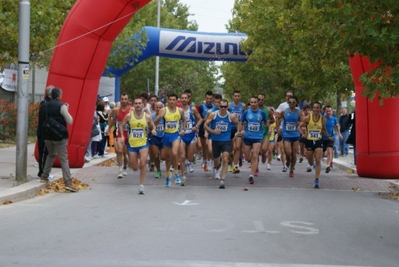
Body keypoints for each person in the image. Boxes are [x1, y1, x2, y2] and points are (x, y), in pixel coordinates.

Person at [39, 87, 77, 192]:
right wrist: (67, 109)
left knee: (51, 154)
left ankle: (44, 175)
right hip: (59, 136)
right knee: (63, 158)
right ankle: (68, 182)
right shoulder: (62, 106)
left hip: (47, 135)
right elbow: (70, 121)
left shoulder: (44, 106)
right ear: (59, 95)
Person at [119, 98, 156, 194]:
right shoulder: (129, 116)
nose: (138, 105)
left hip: (143, 143)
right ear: (133, 105)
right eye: (136, 103)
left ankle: (141, 185)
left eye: (140, 103)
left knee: (143, 163)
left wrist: (153, 130)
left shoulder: (147, 117)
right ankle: (134, 163)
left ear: (143, 105)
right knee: (135, 168)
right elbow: (121, 126)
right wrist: (122, 136)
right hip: (132, 144)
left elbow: (152, 125)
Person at [205, 99, 240, 189]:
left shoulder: (231, 116)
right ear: (219, 106)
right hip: (215, 140)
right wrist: (212, 131)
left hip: (226, 141)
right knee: (217, 163)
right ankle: (217, 167)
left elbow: (238, 122)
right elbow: (205, 125)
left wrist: (238, 132)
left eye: (225, 107)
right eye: (221, 107)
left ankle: (222, 180)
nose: (223, 108)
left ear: (227, 107)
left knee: (225, 159)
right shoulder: (214, 115)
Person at [154, 93, 186, 187]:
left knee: (175, 153)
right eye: (170, 100)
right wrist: (158, 119)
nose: (172, 101)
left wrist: (183, 129)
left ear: (177, 101)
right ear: (168, 101)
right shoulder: (164, 110)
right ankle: (168, 175)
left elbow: (184, 120)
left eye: (173, 100)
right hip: (166, 135)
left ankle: (176, 173)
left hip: (175, 135)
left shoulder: (180, 111)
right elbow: (155, 122)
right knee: (167, 157)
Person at [298, 101, 331, 189]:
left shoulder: (323, 119)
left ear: (320, 109)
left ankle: (316, 180)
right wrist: (302, 134)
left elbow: (323, 129)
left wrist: (328, 136)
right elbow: (299, 127)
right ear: (313, 109)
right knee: (311, 162)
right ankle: (312, 164)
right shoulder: (308, 118)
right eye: (314, 108)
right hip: (309, 141)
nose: (316, 109)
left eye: (318, 108)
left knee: (318, 160)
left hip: (318, 141)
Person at [240, 96, 268, 184]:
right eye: (251, 102)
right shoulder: (246, 113)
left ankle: (251, 176)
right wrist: (242, 130)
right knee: (248, 157)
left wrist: (268, 128)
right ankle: (247, 157)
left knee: (255, 156)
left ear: (257, 103)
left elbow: (266, 122)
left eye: (255, 102)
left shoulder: (262, 113)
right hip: (247, 137)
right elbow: (241, 123)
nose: (253, 104)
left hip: (257, 137)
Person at [275, 95, 303, 177]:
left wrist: (300, 125)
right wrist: (278, 128)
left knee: (294, 153)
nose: (292, 104)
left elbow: (304, 121)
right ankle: (287, 159)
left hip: (295, 134)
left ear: (296, 103)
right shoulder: (284, 111)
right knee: (288, 152)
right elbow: (277, 118)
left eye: (293, 102)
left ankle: (292, 169)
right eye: (290, 102)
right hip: (286, 134)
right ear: (288, 103)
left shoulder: (299, 112)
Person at [179, 93, 203, 186]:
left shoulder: (192, 109)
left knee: (189, 158)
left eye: (186, 98)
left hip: (191, 135)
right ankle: (183, 176)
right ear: (180, 99)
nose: (184, 99)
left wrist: (196, 126)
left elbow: (200, 119)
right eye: (182, 98)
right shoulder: (178, 110)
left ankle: (188, 163)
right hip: (182, 135)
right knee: (182, 156)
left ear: (188, 99)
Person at [107, 93, 131, 178]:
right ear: (120, 100)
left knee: (125, 153)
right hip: (119, 134)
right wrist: (108, 129)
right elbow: (112, 120)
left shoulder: (131, 110)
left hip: (129, 135)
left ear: (128, 100)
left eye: (125, 99)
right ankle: (120, 170)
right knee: (119, 151)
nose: (124, 101)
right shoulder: (116, 110)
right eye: (122, 99)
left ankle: (125, 167)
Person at [36, 85, 54, 179]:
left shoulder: (45, 103)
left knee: (47, 153)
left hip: (44, 131)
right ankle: (42, 172)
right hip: (44, 132)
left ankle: (45, 172)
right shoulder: (46, 104)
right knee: (44, 153)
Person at [229, 90, 246, 174]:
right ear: (233, 96)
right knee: (230, 149)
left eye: (238, 96)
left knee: (237, 147)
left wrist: (243, 128)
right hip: (229, 129)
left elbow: (245, 117)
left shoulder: (243, 106)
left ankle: (236, 166)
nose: (237, 97)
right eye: (235, 96)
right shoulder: (229, 105)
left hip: (238, 128)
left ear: (240, 96)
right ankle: (231, 164)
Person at [198, 91, 214, 172]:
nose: (209, 100)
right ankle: (204, 160)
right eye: (207, 98)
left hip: (211, 128)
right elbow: (199, 118)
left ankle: (209, 161)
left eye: (210, 98)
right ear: (205, 98)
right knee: (204, 147)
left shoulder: (214, 107)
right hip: (202, 128)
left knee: (209, 146)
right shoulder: (201, 107)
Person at [323, 105, 342, 173]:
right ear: (325, 111)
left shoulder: (334, 118)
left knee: (329, 150)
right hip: (323, 138)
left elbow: (337, 126)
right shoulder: (322, 118)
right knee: (322, 154)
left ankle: (328, 165)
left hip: (331, 138)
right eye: (327, 111)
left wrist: (339, 134)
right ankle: (329, 161)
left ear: (331, 111)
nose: (328, 112)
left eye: (329, 111)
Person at [149, 101, 164, 178]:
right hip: (154, 137)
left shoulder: (166, 116)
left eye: (160, 107)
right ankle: (158, 170)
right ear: (155, 108)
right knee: (155, 155)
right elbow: (151, 126)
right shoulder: (152, 116)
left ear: (163, 108)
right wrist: (158, 118)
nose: (158, 109)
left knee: (163, 156)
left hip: (163, 137)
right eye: (157, 107)